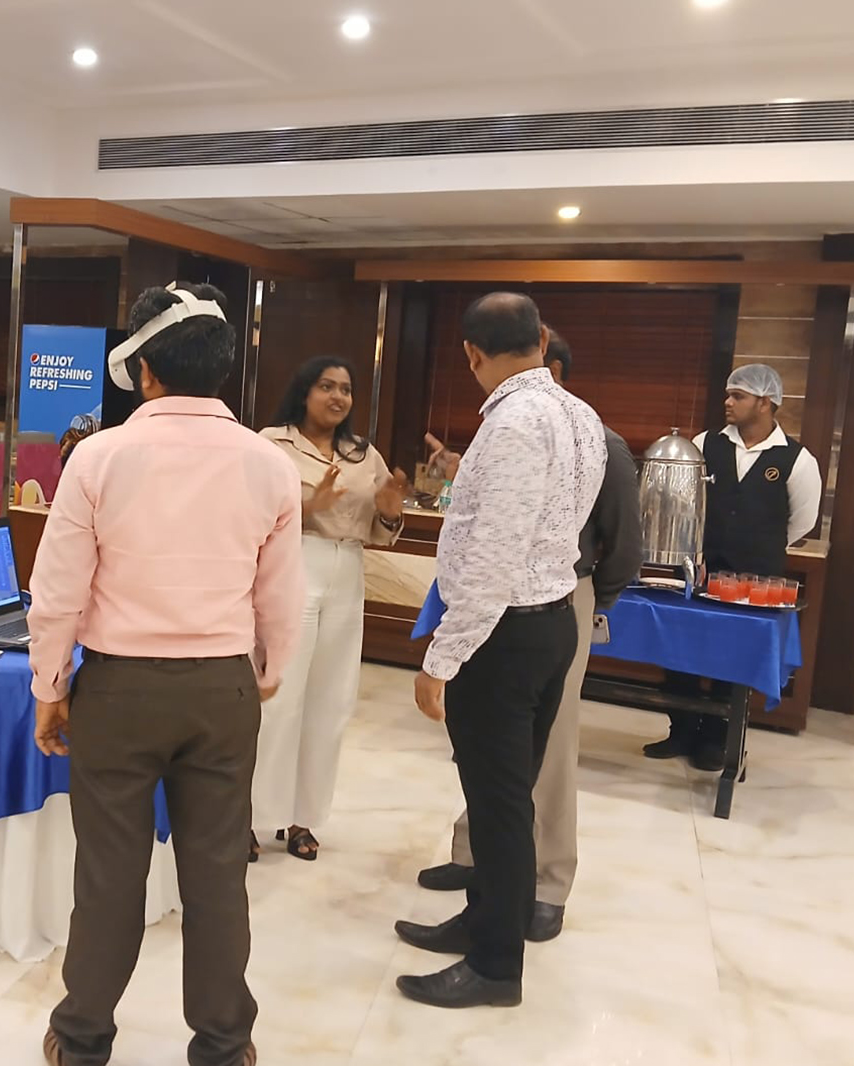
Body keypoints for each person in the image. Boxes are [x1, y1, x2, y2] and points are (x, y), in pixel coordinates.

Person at [28, 282, 304, 1066]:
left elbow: (58, 594)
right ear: (221, 369)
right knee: (217, 875)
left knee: (108, 875)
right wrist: (269, 671)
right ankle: (224, 1044)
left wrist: (50, 689)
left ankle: (82, 1037)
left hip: (118, 691)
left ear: (145, 371)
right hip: (222, 689)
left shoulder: (98, 457)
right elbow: (281, 593)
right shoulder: (270, 464)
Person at [394, 293, 605, 1010]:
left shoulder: (514, 421)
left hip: (505, 633)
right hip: (551, 622)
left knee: (499, 803)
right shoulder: (579, 414)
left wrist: (442, 657)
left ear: (472, 354)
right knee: (504, 794)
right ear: (541, 339)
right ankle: (484, 918)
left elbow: (495, 552)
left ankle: (494, 966)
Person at [413, 329, 644, 943]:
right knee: (494, 752)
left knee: (548, 749)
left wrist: (592, 601)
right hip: (503, 599)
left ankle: (545, 883)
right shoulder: (514, 425)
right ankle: (482, 868)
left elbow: (625, 543)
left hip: (555, 596)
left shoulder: (592, 436)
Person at [251, 356, 407, 862]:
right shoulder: (271, 445)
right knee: (279, 697)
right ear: (304, 391)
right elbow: (247, 515)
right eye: (326, 386)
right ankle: (249, 816)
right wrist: (305, 509)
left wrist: (390, 514)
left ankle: (303, 817)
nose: (338, 396)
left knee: (330, 701)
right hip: (295, 564)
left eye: (346, 388)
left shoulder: (364, 454)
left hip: (348, 570)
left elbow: (381, 528)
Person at [643, 362, 820, 770]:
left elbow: (802, 521)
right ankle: (681, 730)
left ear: (765, 402)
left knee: (733, 657)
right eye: (728, 393)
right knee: (681, 650)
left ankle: (717, 738)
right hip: (700, 571)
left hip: (754, 579)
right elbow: (687, 502)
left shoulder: (797, 459)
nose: (728, 401)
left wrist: (758, 545)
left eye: (738, 396)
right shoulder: (705, 444)